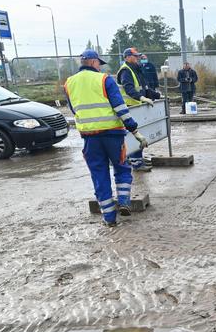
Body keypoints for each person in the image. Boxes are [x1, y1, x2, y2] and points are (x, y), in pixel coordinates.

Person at [64, 49, 148, 227]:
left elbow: (73, 109)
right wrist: (134, 130)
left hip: (89, 137)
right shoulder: (104, 79)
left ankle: (109, 218)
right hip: (112, 134)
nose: (100, 67)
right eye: (99, 64)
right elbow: (120, 107)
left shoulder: (69, 83)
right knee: (122, 167)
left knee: (99, 174)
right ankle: (124, 201)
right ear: (94, 62)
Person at [117, 47, 161, 172]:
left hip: (137, 107)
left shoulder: (136, 70)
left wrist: (157, 95)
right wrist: (142, 97)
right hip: (129, 108)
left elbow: (144, 88)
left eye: (137, 56)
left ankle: (136, 159)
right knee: (135, 135)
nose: (138, 58)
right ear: (127, 57)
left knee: (139, 133)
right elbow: (130, 89)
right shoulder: (126, 71)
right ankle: (136, 162)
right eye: (135, 56)